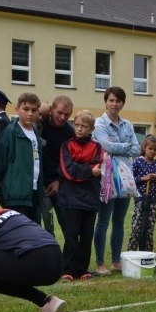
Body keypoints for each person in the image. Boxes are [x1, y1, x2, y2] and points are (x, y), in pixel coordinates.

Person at [93, 86, 140, 275]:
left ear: (122, 103)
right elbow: (106, 146)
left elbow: (137, 149)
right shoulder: (99, 123)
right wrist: (125, 146)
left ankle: (116, 260)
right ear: (105, 101)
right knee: (103, 221)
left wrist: (117, 147)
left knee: (119, 221)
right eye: (111, 100)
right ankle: (99, 262)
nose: (114, 104)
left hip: (126, 179)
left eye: (118, 101)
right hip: (107, 177)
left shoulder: (127, 125)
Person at [58, 110, 102, 282]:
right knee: (71, 235)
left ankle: (82, 269)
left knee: (87, 235)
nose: (79, 129)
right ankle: (67, 270)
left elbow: (98, 167)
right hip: (70, 198)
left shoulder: (97, 147)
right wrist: (89, 171)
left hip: (90, 197)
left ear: (91, 129)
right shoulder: (66, 146)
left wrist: (87, 170)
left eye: (84, 126)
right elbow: (67, 171)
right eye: (76, 125)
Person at [0, 93, 44, 222]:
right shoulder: (10, 132)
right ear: (17, 109)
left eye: (34, 110)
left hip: (33, 193)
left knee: (33, 236)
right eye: (26, 109)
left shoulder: (35, 132)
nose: (30, 114)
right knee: (18, 235)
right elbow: (0, 161)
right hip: (16, 195)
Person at [40, 95, 75, 236]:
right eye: (59, 112)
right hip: (40, 182)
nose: (62, 117)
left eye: (66, 114)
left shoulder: (70, 133)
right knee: (44, 226)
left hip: (60, 185)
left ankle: (71, 257)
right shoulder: (40, 125)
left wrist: (58, 181)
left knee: (68, 226)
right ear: (51, 109)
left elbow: (69, 161)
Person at [127, 134, 156, 252]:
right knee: (137, 227)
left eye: (155, 150)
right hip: (140, 200)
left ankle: (147, 253)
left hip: (153, 201)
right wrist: (144, 178)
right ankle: (131, 253)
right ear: (144, 148)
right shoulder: (138, 162)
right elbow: (131, 180)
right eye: (150, 149)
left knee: (149, 228)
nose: (153, 152)